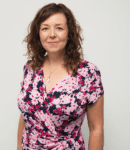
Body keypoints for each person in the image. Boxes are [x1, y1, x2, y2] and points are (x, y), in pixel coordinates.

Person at [17, 3, 104, 150]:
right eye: (45, 28)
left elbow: (96, 128)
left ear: (69, 33)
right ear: (38, 33)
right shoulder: (30, 68)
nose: (52, 34)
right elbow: (26, 117)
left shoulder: (88, 73)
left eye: (59, 28)